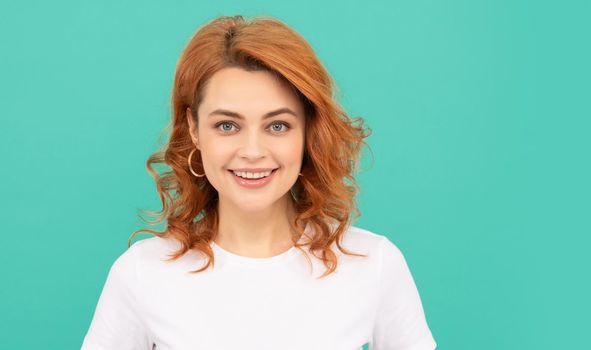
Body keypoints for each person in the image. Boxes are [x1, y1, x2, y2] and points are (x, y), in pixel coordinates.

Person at [80, 15, 437, 350]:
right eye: (227, 125)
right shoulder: (142, 272)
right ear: (194, 129)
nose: (252, 151)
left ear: (307, 131)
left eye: (277, 125)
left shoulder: (373, 264)